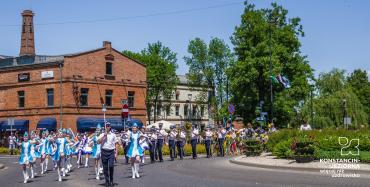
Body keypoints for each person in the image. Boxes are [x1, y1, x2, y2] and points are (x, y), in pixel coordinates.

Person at [98, 122, 117, 186]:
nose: (107, 127)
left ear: (110, 127)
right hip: (104, 151)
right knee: (105, 167)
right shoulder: (102, 134)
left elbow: (116, 143)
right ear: (105, 127)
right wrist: (104, 136)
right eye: (106, 126)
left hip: (111, 152)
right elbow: (98, 142)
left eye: (108, 126)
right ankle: (107, 181)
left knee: (111, 166)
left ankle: (111, 180)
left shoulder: (113, 135)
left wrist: (116, 152)